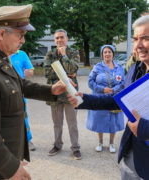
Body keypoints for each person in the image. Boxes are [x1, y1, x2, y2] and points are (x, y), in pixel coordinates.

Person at [0, 5, 67, 180]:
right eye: (20, 35)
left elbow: (18, 84)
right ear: (1, 34)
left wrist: (51, 90)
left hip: (4, 153)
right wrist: (10, 167)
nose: (23, 41)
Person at [68, 15, 149, 179]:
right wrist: (84, 99)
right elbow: (117, 99)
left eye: (145, 39)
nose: (138, 45)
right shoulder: (135, 69)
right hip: (134, 153)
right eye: (135, 39)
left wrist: (144, 128)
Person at [44, 29, 81, 160]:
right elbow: (47, 73)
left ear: (67, 39)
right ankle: (57, 145)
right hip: (55, 94)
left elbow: (74, 69)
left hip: (70, 93)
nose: (59, 40)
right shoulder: (50, 54)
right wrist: (67, 75)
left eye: (62, 37)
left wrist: (65, 56)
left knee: (73, 123)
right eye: (57, 38)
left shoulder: (73, 52)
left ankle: (75, 148)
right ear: (54, 40)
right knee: (57, 123)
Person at [87, 45, 125, 153]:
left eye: (109, 52)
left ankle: (111, 143)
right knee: (99, 120)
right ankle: (100, 142)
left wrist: (114, 89)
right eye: (105, 52)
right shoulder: (97, 67)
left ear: (113, 54)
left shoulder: (119, 68)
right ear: (102, 54)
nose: (107, 54)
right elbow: (90, 82)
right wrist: (102, 89)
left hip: (114, 98)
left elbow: (123, 82)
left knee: (113, 120)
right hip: (100, 98)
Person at [10, 50, 36, 151]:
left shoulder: (21, 54)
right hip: (2, 90)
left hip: (19, 90)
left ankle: (28, 140)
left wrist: (28, 72)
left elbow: (31, 71)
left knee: (22, 115)